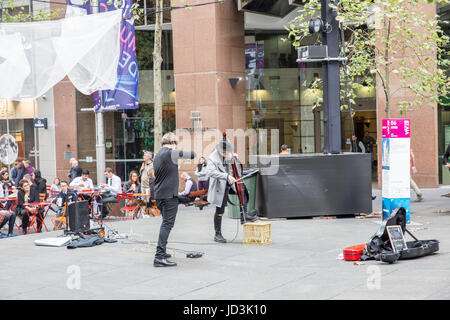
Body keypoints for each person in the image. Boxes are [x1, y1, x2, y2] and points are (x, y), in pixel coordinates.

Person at [153, 132, 195, 267]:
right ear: (173, 143)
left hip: (160, 194)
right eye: (176, 144)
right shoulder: (170, 153)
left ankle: (162, 252)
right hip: (168, 195)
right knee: (167, 224)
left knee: (165, 223)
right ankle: (159, 257)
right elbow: (192, 154)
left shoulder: (158, 155)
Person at [206, 137, 257, 244]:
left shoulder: (226, 152)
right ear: (220, 151)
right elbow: (210, 173)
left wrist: (233, 156)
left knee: (243, 191)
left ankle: (244, 215)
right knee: (220, 210)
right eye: (226, 153)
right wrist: (226, 176)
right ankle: (217, 234)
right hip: (219, 185)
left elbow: (229, 156)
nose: (228, 154)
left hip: (228, 180)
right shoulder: (212, 158)